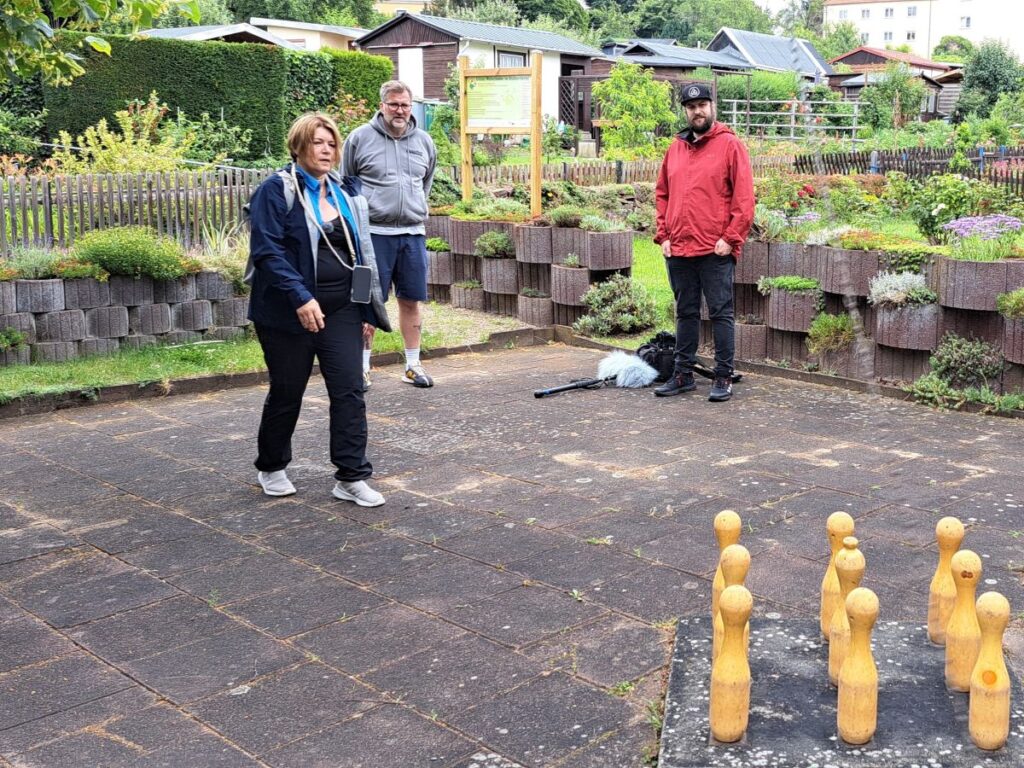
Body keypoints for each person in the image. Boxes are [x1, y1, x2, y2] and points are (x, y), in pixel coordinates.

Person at [247, 112, 387, 507]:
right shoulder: (277, 190)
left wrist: (364, 309)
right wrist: (300, 298)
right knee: (288, 391)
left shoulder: (346, 191)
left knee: (349, 390)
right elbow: (267, 252)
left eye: (331, 144)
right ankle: (271, 466)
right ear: (298, 146)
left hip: (341, 309)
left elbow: (360, 254)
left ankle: (351, 476)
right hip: (286, 312)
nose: (325, 150)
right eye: (316, 142)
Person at [653, 83, 755, 402]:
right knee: (685, 312)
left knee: (721, 313)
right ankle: (682, 374)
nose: (697, 110)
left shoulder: (730, 146)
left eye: (703, 104)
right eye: (691, 106)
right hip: (679, 249)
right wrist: (664, 235)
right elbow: (662, 194)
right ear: (685, 110)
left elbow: (744, 198)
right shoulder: (675, 149)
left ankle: (723, 376)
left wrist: (731, 237)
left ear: (713, 106)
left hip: (715, 249)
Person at [343, 80, 437, 390]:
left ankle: (412, 365)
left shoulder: (424, 141)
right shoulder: (359, 138)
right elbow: (346, 183)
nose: (400, 110)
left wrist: (413, 209)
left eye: (405, 105)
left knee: (411, 301)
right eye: (394, 104)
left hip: (412, 234)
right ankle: (361, 368)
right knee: (367, 302)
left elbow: (425, 183)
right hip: (371, 235)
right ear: (382, 105)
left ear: (412, 107)